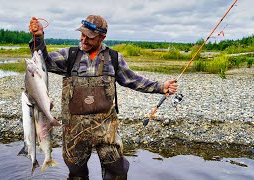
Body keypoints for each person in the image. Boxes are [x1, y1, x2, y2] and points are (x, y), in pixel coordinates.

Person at [29, 15, 178, 180]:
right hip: (74, 130)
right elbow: (44, 62)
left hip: (106, 128)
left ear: (102, 37)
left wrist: (160, 87)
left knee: (118, 172)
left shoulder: (113, 58)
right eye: (82, 35)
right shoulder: (70, 55)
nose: (84, 40)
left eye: (90, 37)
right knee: (77, 174)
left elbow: (133, 80)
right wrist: (38, 37)